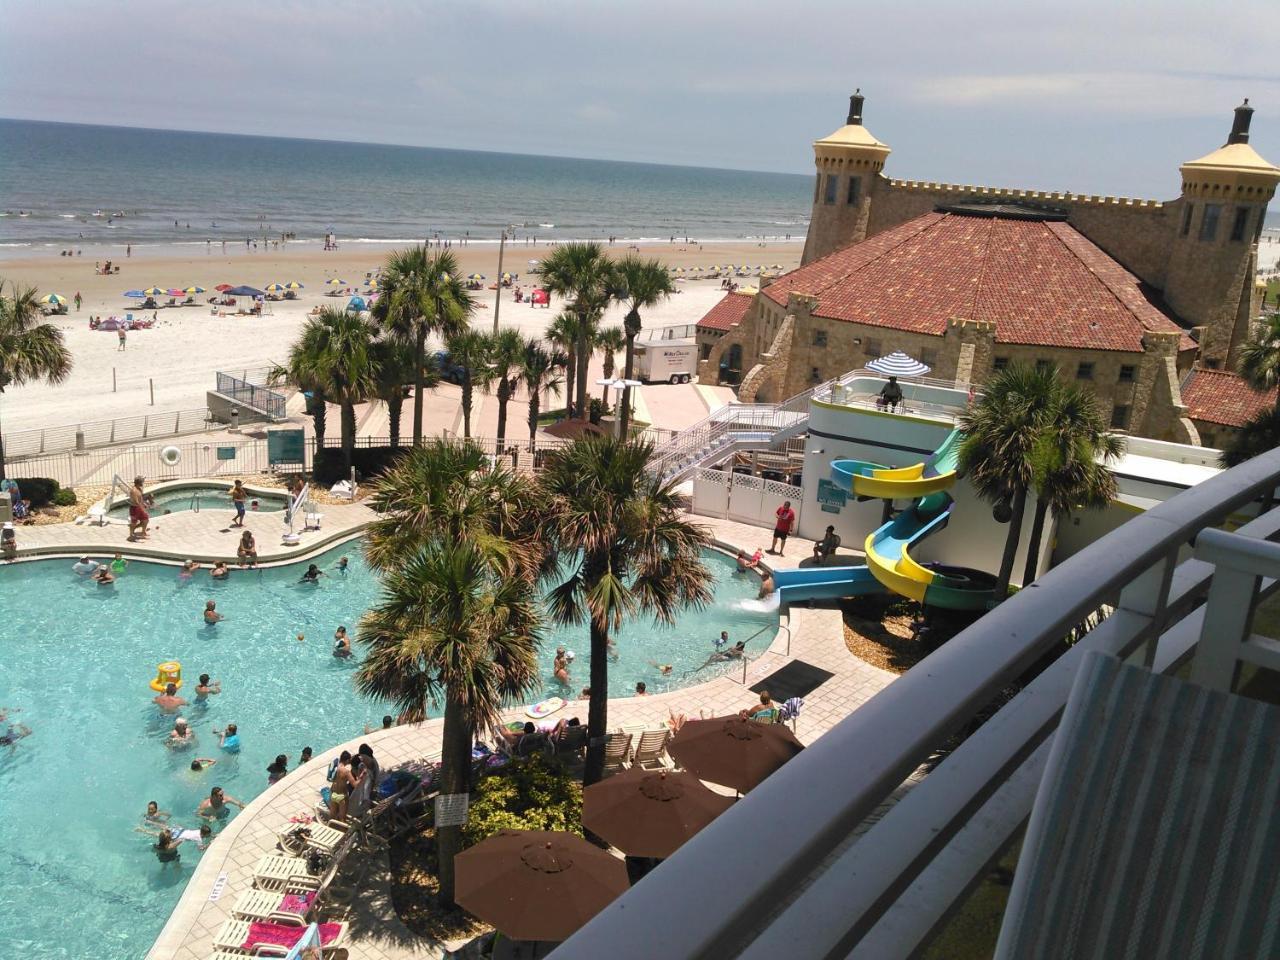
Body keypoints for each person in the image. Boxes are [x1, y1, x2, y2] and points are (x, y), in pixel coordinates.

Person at [127, 476, 149, 542]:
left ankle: (143, 532)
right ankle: (131, 535)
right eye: (142, 481)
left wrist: (144, 504)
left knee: (145, 519)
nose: (143, 483)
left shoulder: (139, 489)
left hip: (139, 507)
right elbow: (137, 502)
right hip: (134, 508)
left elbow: (141, 499)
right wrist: (143, 509)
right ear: (139, 482)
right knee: (134, 522)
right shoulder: (134, 491)